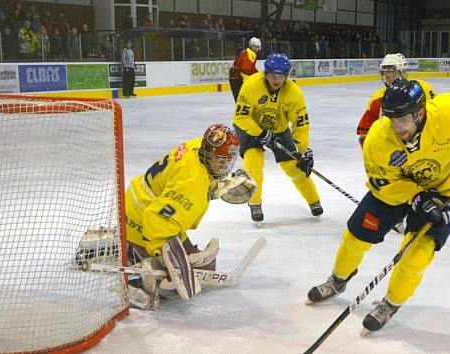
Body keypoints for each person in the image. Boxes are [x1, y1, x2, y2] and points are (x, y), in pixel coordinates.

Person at [306, 78, 450, 332]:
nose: (396, 128)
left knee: (416, 254)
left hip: (444, 191)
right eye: (391, 119)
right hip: (395, 192)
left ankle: (390, 303)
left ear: (420, 113)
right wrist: (416, 197)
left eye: (402, 120)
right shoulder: (379, 138)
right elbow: (383, 182)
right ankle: (337, 280)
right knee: (356, 236)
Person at [357, 53, 450, 223]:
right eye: (386, 74)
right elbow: (365, 133)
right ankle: (401, 214)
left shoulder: (422, 89)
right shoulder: (377, 100)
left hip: (436, 149)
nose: (389, 78)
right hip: (405, 156)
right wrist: (381, 159)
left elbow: (439, 119)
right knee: (406, 187)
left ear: (404, 72)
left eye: (394, 73)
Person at [124, 123, 255, 308]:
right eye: (220, 160)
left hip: (139, 199)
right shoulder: (192, 186)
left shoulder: (196, 147)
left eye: (227, 160)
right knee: (197, 271)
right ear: (208, 154)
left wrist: (219, 185)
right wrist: (162, 257)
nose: (224, 165)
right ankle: (138, 268)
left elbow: (186, 179)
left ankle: (135, 249)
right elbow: (156, 219)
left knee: (201, 264)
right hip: (141, 218)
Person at [233, 52, 322, 224]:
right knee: (254, 164)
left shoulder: (294, 93)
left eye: (281, 76)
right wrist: (261, 134)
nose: (276, 79)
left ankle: (314, 200)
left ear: (287, 76)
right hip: (251, 128)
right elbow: (240, 118)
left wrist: (303, 151)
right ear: (265, 73)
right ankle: (255, 203)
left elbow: (301, 124)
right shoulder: (251, 86)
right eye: (273, 75)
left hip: (279, 130)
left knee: (294, 167)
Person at [228, 37, 261, 102]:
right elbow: (245, 71)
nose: (257, 49)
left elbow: (252, 69)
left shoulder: (249, 53)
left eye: (258, 47)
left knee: (242, 99)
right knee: (240, 100)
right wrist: (248, 84)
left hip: (235, 78)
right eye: (255, 46)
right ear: (251, 46)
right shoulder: (249, 54)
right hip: (236, 79)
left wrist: (259, 75)